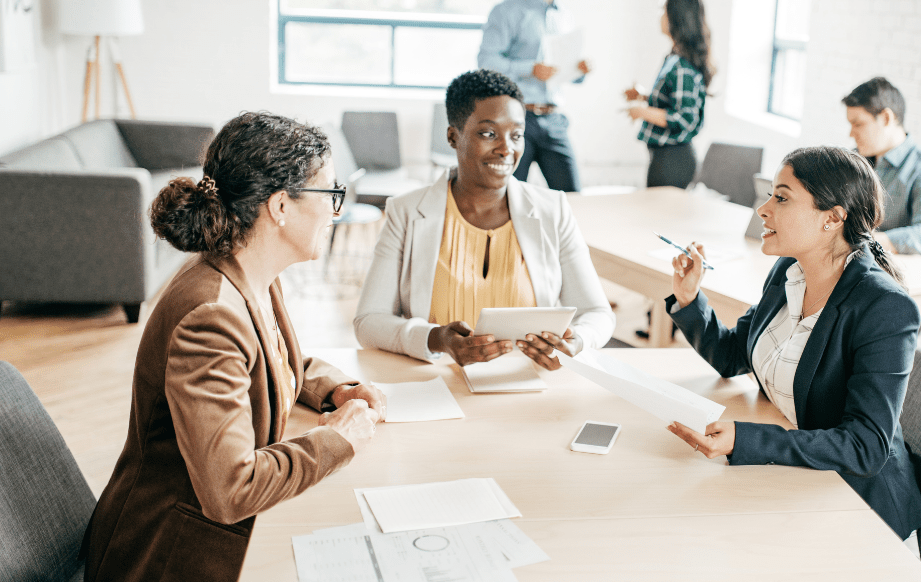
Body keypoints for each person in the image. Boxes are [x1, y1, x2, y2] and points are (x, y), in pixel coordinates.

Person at [84, 112, 386, 581]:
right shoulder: (210, 316)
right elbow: (231, 489)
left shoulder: (251, 271)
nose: (336, 211)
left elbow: (273, 360)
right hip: (169, 555)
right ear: (280, 207)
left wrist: (334, 389)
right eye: (330, 195)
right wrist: (337, 439)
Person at [662, 146, 921, 550]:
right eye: (770, 195)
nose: (762, 209)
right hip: (801, 479)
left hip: (860, 511)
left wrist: (746, 439)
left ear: (833, 218)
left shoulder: (884, 307)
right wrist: (689, 300)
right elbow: (735, 354)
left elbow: (865, 447)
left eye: (781, 198)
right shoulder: (790, 270)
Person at [354, 69, 613, 368]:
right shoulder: (407, 212)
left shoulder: (552, 209)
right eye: (488, 134)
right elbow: (368, 322)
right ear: (453, 136)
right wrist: (437, 339)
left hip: (527, 385)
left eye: (516, 135)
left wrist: (576, 340)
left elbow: (597, 313)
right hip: (437, 383)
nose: (506, 149)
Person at [478, 0, 589, 192]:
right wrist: (530, 69)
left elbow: (560, 70)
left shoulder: (563, 15)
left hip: (554, 119)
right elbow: (486, 62)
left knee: (572, 197)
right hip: (517, 120)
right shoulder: (507, 11)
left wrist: (578, 71)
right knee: (508, 198)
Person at [843, 76, 921, 258]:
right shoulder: (855, 160)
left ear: (886, 118)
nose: (851, 133)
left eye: (858, 124)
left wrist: (863, 241)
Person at [625, 0, 713, 189]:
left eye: (662, 10)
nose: (659, 17)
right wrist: (644, 97)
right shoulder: (674, 58)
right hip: (664, 157)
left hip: (673, 160)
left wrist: (642, 112)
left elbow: (684, 117)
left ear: (675, 16)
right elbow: (673, 102)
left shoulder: (681, 65)